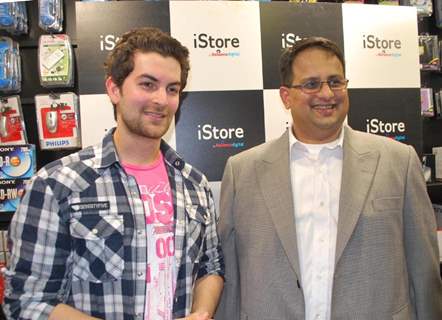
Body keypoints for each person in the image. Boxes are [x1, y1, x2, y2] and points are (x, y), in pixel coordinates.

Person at [3, 27, 224, 320]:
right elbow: (26, 301)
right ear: (114, 89)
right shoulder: (57, 185)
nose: (162, 99)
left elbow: (210, 268)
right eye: (147, 84)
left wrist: (202, 312)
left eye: (172, 89)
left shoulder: (194, 184)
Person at [216, 37, 442, 320]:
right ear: (286, 96)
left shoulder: (399, 161)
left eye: (335, 82)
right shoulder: (242, 171)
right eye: (311, 84)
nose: (327, 93)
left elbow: (425, 271)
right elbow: (231, 278)